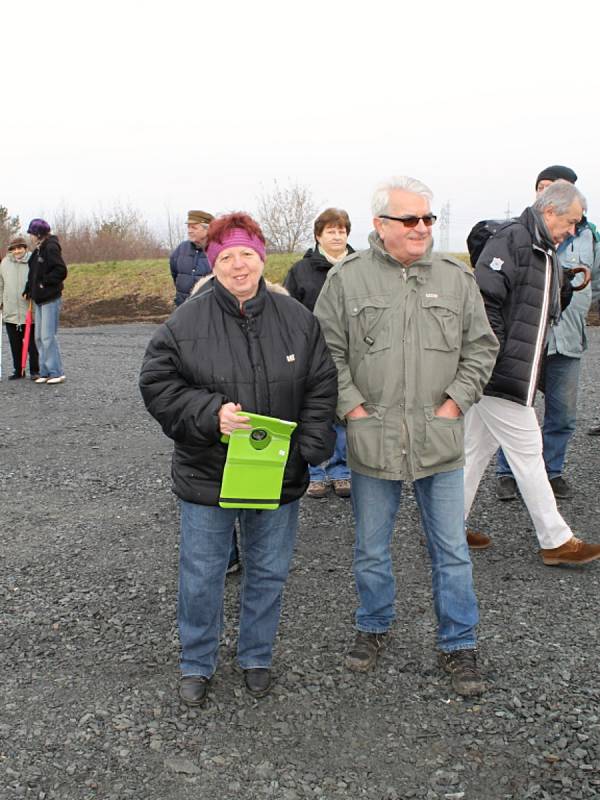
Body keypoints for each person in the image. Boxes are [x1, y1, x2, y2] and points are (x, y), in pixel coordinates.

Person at [140, 212, 337, 706]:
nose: (238, 265)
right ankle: (197, 662)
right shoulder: (186, 320)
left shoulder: (298, 320)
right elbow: (158, 384)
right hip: (208, 472)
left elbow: (321, 385)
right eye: (226, 256)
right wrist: (209, 413)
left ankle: (256, 655)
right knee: (202, 574)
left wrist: (309, 449)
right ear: (214, 263)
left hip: (279, 473)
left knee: (268, 570)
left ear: (262, 257)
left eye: (246, 253)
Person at [314, 176, 499, 697]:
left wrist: (453, 404)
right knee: (372, 548)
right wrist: (351, 408)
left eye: (428, 219)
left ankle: (459, 644)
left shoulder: (455, 278)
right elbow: (325, 351)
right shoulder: (347, 279)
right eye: (410, 219)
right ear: (380, 225)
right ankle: (373, 626)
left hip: (438, 440)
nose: (422, 228)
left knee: (451, 550)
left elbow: (481, 348)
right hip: (373, 439)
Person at [465, 181, 600, 565]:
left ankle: (445, 527)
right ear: (550, 212)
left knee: (473, 451)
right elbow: (485, 300)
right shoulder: (515, 241)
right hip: (502, 372)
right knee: (528, 452)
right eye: (572, 222)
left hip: (505, 371)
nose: (574, 230)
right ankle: (556, 539)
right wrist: (496, 357)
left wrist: (565, 282)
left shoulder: (542, 248)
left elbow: (538, 305)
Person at [495, 166, 596, 502]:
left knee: (563, 413)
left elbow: (594, 283)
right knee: (514, 410)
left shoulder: (588, 235)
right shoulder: (516, 235)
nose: (546, 191)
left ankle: (551, 473)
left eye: (555, 186)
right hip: (524, 342)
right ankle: (508, 475)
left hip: (567, 338)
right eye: (542, 186)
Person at [284, 208, 354, 499]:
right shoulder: (300, 271)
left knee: (343, 411)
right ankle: (315, 472)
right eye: (331, 231)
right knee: (312, 411)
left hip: (350, 351)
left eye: (342, 231)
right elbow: (287, 311)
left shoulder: (359, 267)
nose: (337, 236)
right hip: (311, 352)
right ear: (318, 236)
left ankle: (341, 471)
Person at [24, 219, 67, 385]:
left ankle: (56, 372)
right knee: (39, 338)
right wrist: (29, 289)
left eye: (32, 233)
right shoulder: (38, 249)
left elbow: (61, 270)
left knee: (48, 337)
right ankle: (45, 371)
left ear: (39, 233)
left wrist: (44, 283)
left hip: (50, 298)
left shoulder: (51, 247)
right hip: (39, 299)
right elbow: (33, 273)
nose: (31, 236)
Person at [0, 235, 40, 380]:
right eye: (14, 249)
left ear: (25, 248)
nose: (17, 251)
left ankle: (35, 370)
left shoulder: (33, 260)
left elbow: (38, 281)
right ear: (10, 250)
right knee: (15, 345)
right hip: (10, 311)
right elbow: (1, 284)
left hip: (28, 311)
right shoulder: (4, 263)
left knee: (31, 345)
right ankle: (19, 371)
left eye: (20, 248)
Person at [169, 210, 214, 307]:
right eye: (188, 227)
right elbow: (175, 274)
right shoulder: (181, 249)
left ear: (208, 229)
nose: (189, 231)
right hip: (183, 307)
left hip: (209, 308)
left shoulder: (218, 250)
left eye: (194, 227)